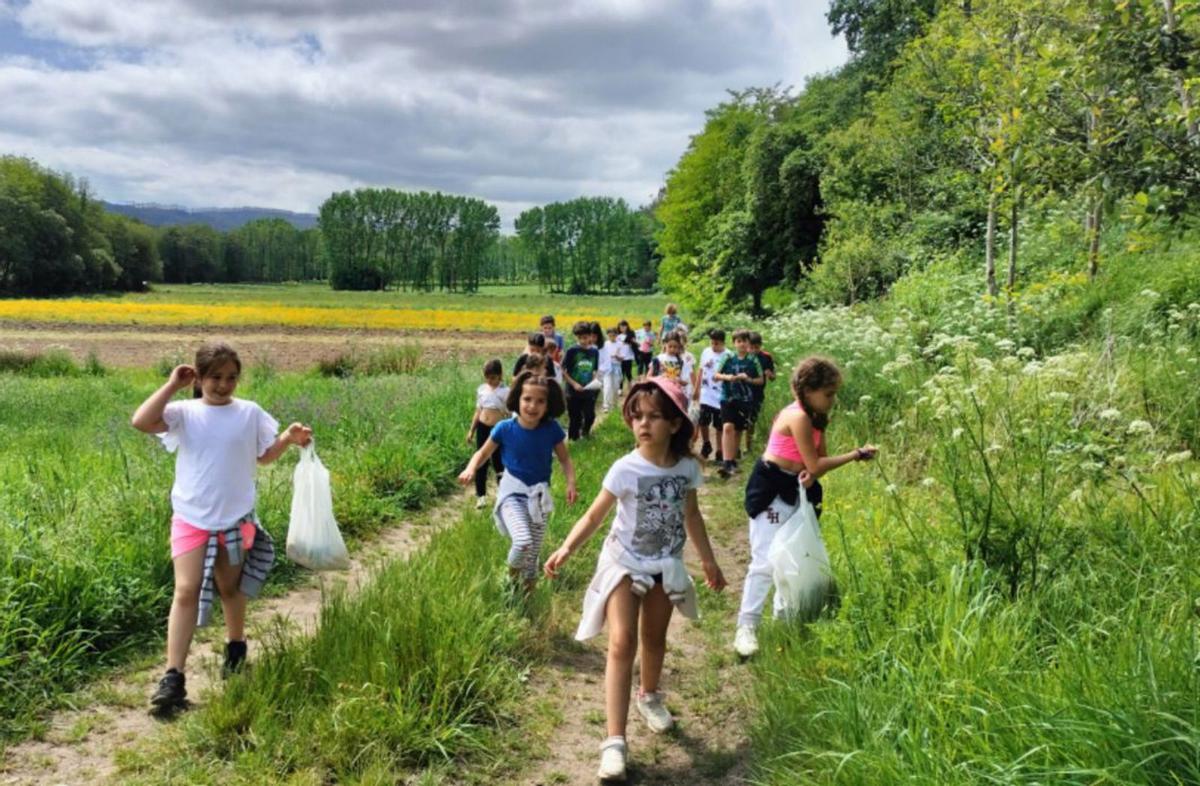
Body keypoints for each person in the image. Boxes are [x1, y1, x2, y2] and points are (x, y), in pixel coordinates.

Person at [544, 378, 726, 781]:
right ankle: (614, 742)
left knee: (654, 639)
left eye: (654, 417)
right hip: (624, 563)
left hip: (665, 564)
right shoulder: (624, 468)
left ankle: (649, 696)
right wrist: (566, 548)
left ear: (675, 424)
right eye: (637, 416)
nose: (643, 424)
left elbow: (692, 516)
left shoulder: (686, 469)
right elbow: (595, 516)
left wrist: (709, 562)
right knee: (622, 641)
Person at [131, 342, 312, 712]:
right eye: (214, 377)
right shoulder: (184, 412)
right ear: (198, 378)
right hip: (190, 519)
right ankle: (173, 676)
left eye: (231, 377)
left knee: (231, 586)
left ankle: (235, 648)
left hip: (238, 521)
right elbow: (141, 421)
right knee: (186, 589)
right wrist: (170, 386)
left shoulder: (249, 413)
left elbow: (263, 457)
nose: (223, 385)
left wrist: (288, 440)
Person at [733, 356, 878, 658]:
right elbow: (815, 462)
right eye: (828, 394)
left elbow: (817, 465)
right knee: (764, 562)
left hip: (797, 490)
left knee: (792, 557)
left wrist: (812, 473)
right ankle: (746, 628)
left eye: (834, 393)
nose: (833, 400)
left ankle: (782, 623)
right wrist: (854, 454)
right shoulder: (798, 416)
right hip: (772, 490)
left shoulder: (816, 418)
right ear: (808, 390)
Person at [458, 370, 577, 590]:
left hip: (538, 498)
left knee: (532, 559)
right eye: (527, 399)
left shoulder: (551, 430)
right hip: (512, 495)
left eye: (540, 401)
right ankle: (509, 581)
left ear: (548, 404)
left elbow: (565, 459)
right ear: (517, 399)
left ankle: (525, 600)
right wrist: (470, 468)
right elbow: (482, 454)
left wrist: (571, 482)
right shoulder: (505, 428)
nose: (533, 406)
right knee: (522, 543)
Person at [715, 329, 763, 479]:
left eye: (744, 341)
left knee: (738, 430)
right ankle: (726, 462)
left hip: (745, 399)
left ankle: (732, 460)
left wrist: (747, 378)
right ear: (734, 343)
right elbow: (716, 375)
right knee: (727, 427)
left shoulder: (753, 360)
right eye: (738, 341)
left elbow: (761, 380)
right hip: (727, 397)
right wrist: (728, 377)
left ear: (749, 343)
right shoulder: (728, 357)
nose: (742, 344)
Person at [467, 358, 509, 509]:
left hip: (498, 430)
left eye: (493, 378)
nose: (490, 381)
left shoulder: (505, 392)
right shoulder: (482, 390)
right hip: (483, 428)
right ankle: (481, 496)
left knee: (499, 462)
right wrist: (472, 430)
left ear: (500, 375)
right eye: (487, 378)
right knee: (481, 462)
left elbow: (510, 414)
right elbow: (478, 411)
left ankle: (502, 493)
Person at [563, 320, 601, 440]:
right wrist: (574, 384)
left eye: (586, 337)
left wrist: (595, 380)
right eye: (580, 338)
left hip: (588, 390)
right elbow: (563, 370)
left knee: (590, 416)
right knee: (575, 418)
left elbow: (594, 369)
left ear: (591, 336)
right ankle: (573, 441)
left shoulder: (594, 351)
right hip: (573, 391)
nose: (584, 340)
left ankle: (585, 434)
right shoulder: (572, 351)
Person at [696, 329, 730, 461]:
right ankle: (706, 444)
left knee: (719, 424)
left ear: (722, 343)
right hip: (705, 393)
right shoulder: (706, 352)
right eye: (712, 343)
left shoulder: (728, 355)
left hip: (720, 395)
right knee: (703, 420)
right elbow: (700, 370)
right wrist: (696, 389)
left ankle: (720, 450)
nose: (713, 346)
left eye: (716, 343)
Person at [744, 332, 775, 455]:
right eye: (751, 347)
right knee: (740, 421)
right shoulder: (743, 356)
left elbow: (773, 377)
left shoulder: (766, 357)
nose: (753, 350)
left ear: (760, 346)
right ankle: (737, 447)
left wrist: (769, 374)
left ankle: (748, 447)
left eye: (756, 347)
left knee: (752, 421)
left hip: (758, 393)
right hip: (742, 392)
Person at [599, 326, 623, 413]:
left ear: (616, 335)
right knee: (607, 386)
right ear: (608, 335)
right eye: (610, 335)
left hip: (616, 366)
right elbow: (602, 357)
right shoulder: (605, 344)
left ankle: (614, 404)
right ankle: (606, 405)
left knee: (616, 386)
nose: (612, 337)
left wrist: (617, 356)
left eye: (614, 335)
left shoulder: (620, 344)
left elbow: (622, 358)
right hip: (607, 367)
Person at [616, 320, 637, 392]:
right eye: (621, 327)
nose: (622, 328)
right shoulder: (618, 336)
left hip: (628, 357)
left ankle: (632, 388)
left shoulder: (631, 335)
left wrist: (633, 343)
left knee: (628, 373)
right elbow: (616, 347)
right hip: (620, 358)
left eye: (624, 326)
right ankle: (620, 388)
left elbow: (635, 345)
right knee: (621, 374)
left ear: (627, 327)